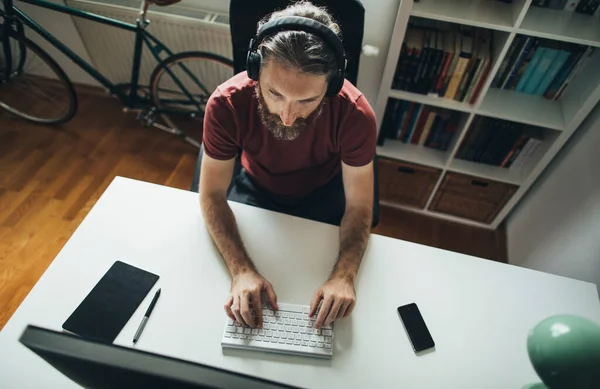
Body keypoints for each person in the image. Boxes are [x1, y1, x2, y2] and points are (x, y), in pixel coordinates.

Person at [199, 1, 376, 331]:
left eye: (307, 100)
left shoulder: (355, 115)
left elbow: (360, 204)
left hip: (325, 194)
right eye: (274, 93)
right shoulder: (226, 104)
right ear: (256, 70)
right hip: (254, 188)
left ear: (333, 85)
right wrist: (240, 270)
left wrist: (344, 276)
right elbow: (211, 194)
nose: (287, 115)